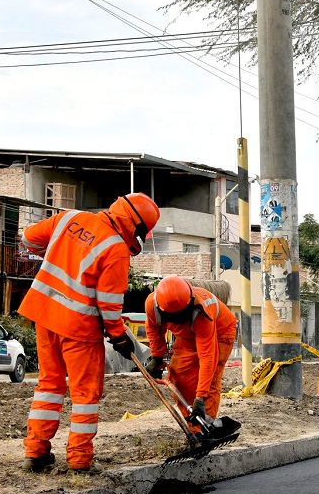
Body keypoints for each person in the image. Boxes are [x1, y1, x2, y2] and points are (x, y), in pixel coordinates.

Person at [18, 192, 160, 472]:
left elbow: (29, 239)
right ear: (135, 225)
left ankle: (35, 452)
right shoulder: (116, 249)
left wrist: (60, 253)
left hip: (45, 315)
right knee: (85, 395)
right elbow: (109, 306)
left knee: (49, 385)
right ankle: (80, 460)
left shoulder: (70, 218)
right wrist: (119, 336)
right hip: (79, 328)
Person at [143, 276, 237, 437]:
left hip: (220, 333)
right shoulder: (152, 304)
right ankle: (194, 428)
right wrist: (157, 356)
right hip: (186, 337)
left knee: (211, 379)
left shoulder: (201, 312)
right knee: (178, 380)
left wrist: (200, 397)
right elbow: (153, 329)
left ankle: (205, 428)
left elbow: (208, 359)